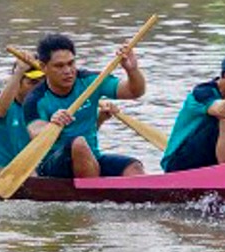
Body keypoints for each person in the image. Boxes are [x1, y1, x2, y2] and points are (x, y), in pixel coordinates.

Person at [21, 32, 146, 179]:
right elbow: (36, 132)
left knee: (133, 166)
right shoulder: (35, 99)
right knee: (79, 144)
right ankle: (94, 195)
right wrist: (53, 123)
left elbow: (134, 91)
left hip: (92, 158)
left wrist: (132, 70)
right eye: (59, 66)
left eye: (71, 63)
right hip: (54, 165)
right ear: (43, 67)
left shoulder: (90, 81)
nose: (68, 71)